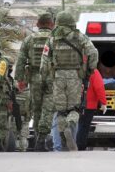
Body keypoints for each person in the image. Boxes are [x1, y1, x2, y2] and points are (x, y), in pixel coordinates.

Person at [40, 11, 98, 151]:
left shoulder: (52, 38)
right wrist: (90, 70)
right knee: (74, 109)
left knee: (60, 111)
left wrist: (45, 78)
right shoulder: (80, 37)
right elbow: (93, 52)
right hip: (75, 77)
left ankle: (62, 137)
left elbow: (44, 60)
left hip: (58, 78)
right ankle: (71, 123)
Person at [15, 12, 55, 151]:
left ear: (38, 24)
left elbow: (20, 60)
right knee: (48, 109)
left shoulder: (29, 39)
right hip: (51, 77)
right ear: (52, 24)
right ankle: (43, 137)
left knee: (36, 109)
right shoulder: (55, 38)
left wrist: (20, 79)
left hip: (34, 77)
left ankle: (39, 138)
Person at [76, 68, 107, 150]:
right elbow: (99, 87)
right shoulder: (94, 72)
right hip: (89, 105)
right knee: (84, 126)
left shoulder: (74, 69)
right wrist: (103, 102)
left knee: (75, 124)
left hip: (74, 103)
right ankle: (79, 146)